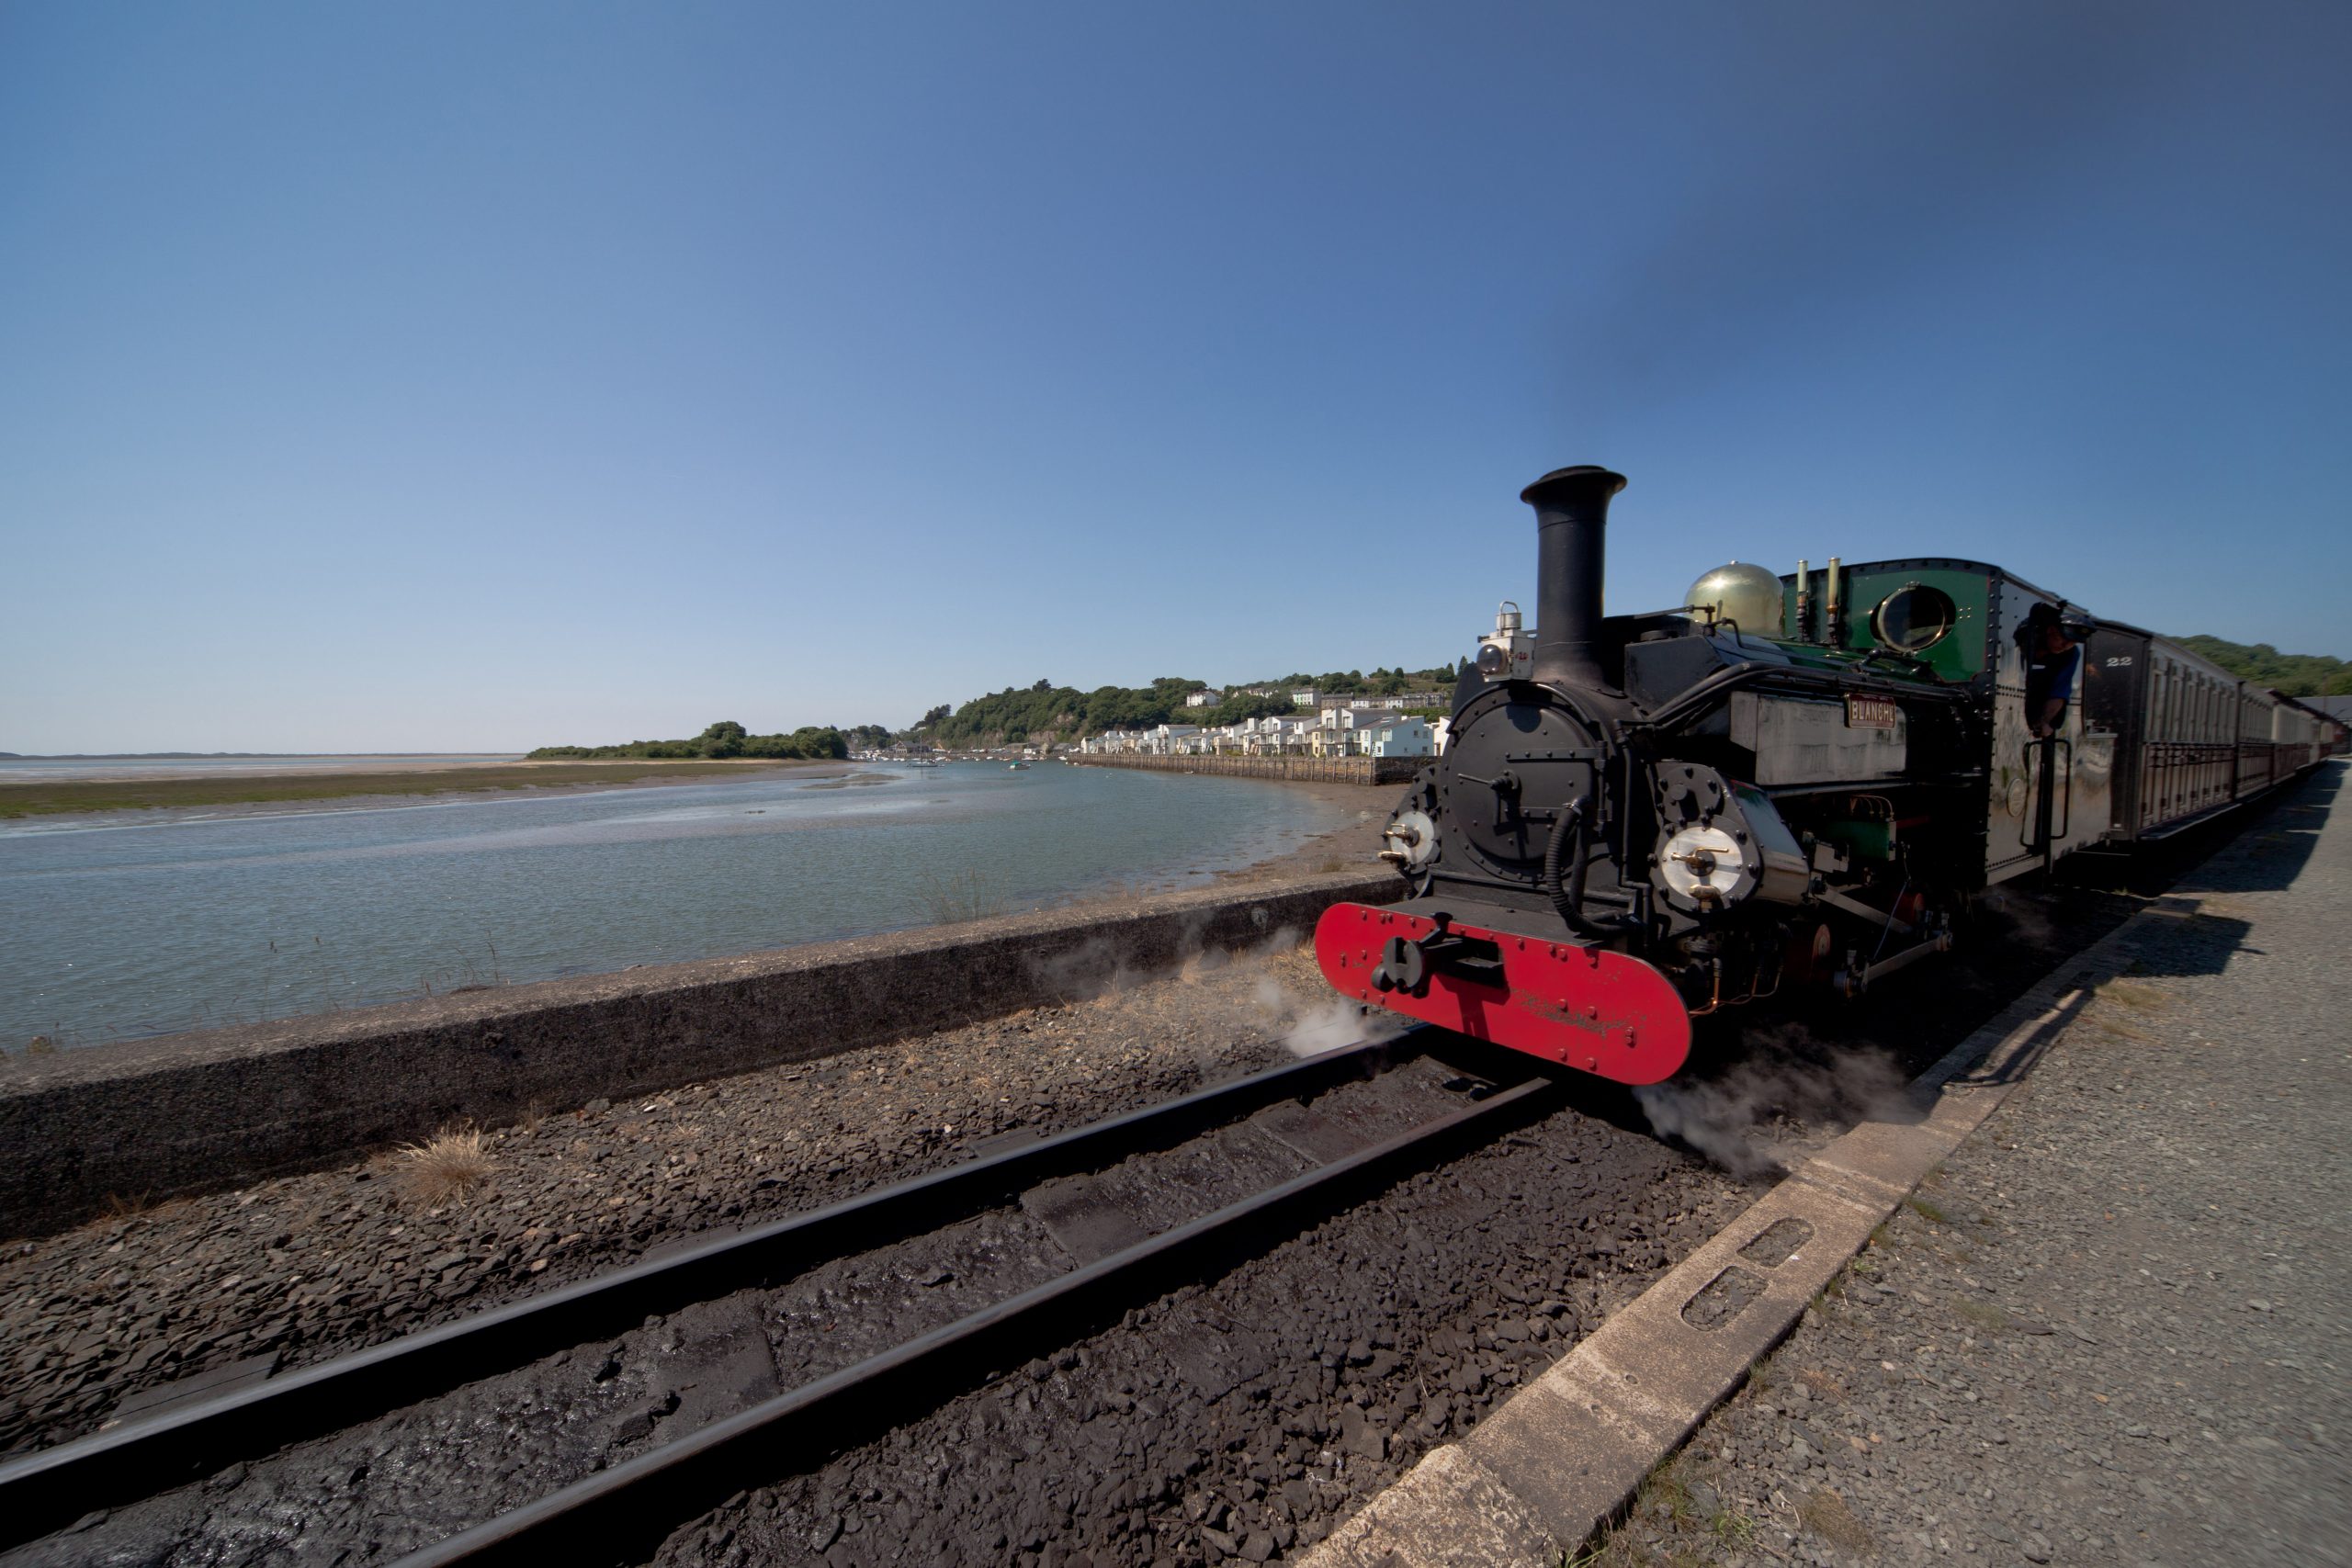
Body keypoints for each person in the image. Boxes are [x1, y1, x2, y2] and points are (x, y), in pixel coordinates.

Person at [2014, 602, 2084, 739]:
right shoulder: (2024, 637)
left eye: (2071, 644)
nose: (2065, 646)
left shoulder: (2071, 654)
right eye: (2062, 640)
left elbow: (2060, 690)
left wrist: (2045, 722)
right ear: (2050, 631)